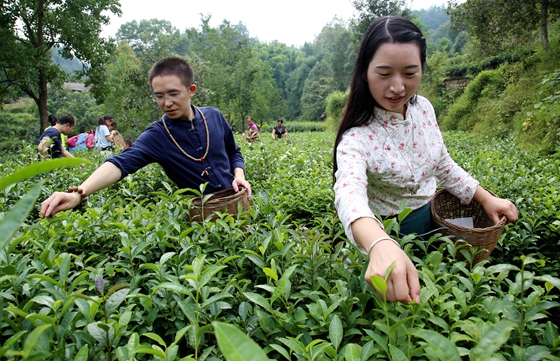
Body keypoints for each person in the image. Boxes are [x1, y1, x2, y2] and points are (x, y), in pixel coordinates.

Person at [332, 16, 518, 304]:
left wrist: (484, 198)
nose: (397, 87)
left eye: (409, 73)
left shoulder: (424, 109)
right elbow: (349, 193)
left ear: (422, 69)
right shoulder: (357, 138)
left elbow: (442, 163)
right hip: (386, 233)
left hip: (433, 221)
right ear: (364, 73)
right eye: (384, 74)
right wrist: (379, 244)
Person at [40, 56, 251, 217]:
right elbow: (120, 163)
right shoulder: (158, 135)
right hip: (202, 218)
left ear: (191, 90)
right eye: (159, 96)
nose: (166, 102)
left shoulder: (213, 116)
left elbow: (233, 151)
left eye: (173, 93)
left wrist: (239, 176)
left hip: (240, 205)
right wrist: (79, 192)